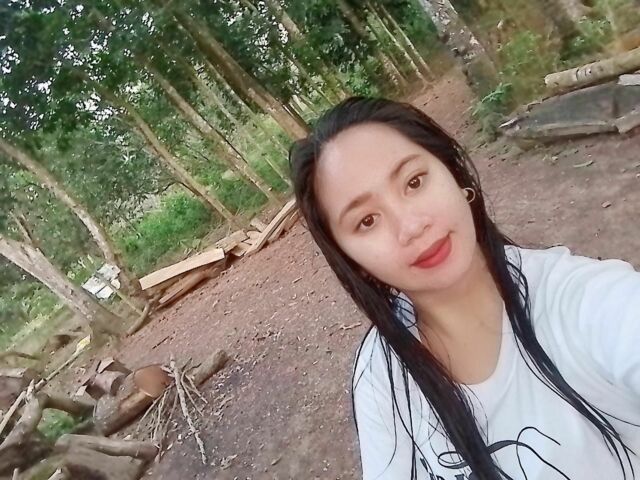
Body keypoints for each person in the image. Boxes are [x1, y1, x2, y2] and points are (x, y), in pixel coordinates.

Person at [288, 97, 640, 480]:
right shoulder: (380, 376)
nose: (411, 227)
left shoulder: (584, 300)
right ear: (353, 261)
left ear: (456, 176)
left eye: (414, 182)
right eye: (367, 220)